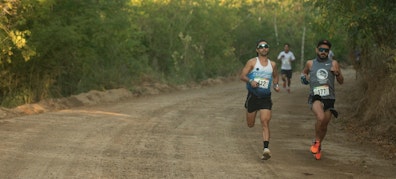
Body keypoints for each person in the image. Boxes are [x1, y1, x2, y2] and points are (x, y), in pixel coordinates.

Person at [300, 39, 344, 160]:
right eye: (321, 49)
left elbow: (341, 81)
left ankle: (318, 143)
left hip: (329, 97)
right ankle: (316, 142)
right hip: (315, 96)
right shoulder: (310, 63)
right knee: (320, 117)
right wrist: (303, 78)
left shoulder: (333, 63)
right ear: (316, 50)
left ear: (329, 52)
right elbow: (303, 73)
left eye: (326, 50)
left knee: (324, 125)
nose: (323, 52)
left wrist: (337, 73)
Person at [240, 39, 280, 160]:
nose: (264, 48)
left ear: (268, 48)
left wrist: (276, 85)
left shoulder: (272, 64)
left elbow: (275, 76)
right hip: (253, 96)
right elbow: (242, 76)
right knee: (250, 124)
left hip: (265, 98)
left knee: (265, 122)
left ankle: (266, 149)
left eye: (266, 46)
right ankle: (265, 148)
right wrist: (250, 81)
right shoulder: (252, 62)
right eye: (261, 46)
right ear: (257, 50)